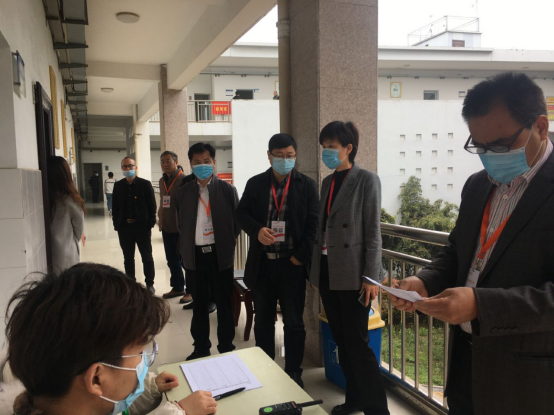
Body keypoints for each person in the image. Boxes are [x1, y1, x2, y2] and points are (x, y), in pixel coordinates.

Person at [390, 72, 554, 415]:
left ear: (541, 127)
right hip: (466, 364)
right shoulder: (478, 185)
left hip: (528, 379)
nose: (490, 157)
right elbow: (457, 251)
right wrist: (424, 280)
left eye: (500, 146)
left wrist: (481, 305)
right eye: (479, 147)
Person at [3, 263, 217, 415]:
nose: (143, 363)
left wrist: (148, 389)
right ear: (96, 378)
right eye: (140, 354)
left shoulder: (59, 400)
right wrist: (179, 412)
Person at [309, 122, 389, 415]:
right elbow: (323, 229)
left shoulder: (367, 180)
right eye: (324, 147)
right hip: (328, 270)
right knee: (341, 341)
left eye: (331, 147)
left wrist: (371, 277)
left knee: (358, 345)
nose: (326, 152)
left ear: (348, 148)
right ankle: (354, 400)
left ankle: (377, 410)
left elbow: (373, 233)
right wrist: (315, 271)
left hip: (355, 275)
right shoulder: (327, 182)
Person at [236, 134, 319, 388]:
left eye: (290, 156)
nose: (285, 160)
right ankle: (266, 370)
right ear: (269, 156)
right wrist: (256, 229)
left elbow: (314, 224)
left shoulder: (307, 185)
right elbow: (241, 214)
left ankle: (293, 371)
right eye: (280, 155)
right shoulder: (256, 183)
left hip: (292, 264)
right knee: (263, 321)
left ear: (295, 156)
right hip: (263, 263)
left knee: (294, 322)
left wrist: (301, 256)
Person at [177, 143, 240, 361]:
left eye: (206, 161)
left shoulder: (227, 190)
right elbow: (180, 224)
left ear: (214, 162)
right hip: (194, 257)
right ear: (190, 164)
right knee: (200, 304)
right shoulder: (184, 192)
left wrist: (226, 245)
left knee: (224, 303)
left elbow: (236, 224)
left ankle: (226, 346)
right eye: (197, 162)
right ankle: (201, 347)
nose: (202, 165)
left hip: (219, 256)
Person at [112, 157, 157, 294]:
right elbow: (115, 207)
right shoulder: (118, 185)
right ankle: (131, 283)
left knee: (146, 256)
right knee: (128, 258)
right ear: (121, 168)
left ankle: (149, 283)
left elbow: (152, 205)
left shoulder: (145, 184)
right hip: (124, 227)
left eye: (130, 166)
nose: (128, 168)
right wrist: (117, 224)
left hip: (142, 227)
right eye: (125, 166)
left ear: (135, 167)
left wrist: (150, 223)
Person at [158, 151, 192, 305]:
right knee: (171, 260)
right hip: (167, 226)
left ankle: (190, 290)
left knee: (186, 261)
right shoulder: (162, 180)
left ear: (176, 162)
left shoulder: (185, 180)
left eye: (168, 161)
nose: (164, 164)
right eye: (162, 162)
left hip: (181, 228)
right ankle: (178, 287)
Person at [47, 156, 86, 274]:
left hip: (48, 254)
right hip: (66, 253)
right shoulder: (71, 199)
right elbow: (78, 230)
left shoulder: (43, 199)